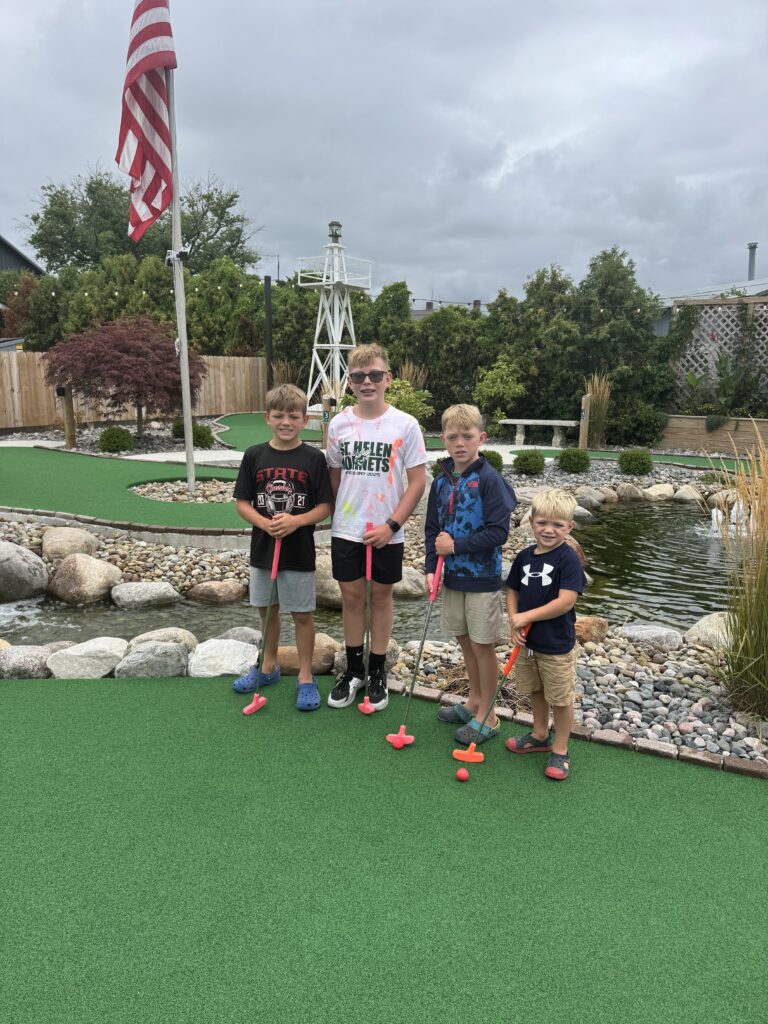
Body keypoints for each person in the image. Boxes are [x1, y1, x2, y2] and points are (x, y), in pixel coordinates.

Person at [325, 343, 427, 711]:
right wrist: (342, 517)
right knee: (351, 599)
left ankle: (377, 671)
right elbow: (335, 478)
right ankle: (353, 671)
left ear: (388, 379)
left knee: (382, 598)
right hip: (347, 529)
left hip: (388, 529)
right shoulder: (339, 424)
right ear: (350, 383)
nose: (367, 382)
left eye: (374, 375)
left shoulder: (405, 424)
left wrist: (391, 524)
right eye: (358, 376)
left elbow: (417, 481)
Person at [232, 384, 333, 711]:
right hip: (263, 548)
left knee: (302, 614)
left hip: (298, 551)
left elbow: (325, 506)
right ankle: (268, 666)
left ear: (306, 419)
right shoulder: (255, 455)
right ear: (267, 417)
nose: (285, 421)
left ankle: (306, 676)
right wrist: (265, 523)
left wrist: (296, 521)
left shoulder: (313, 458)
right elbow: (242, 503)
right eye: (279, 415)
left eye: (293, 416)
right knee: (268, 611)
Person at [425, 404, 517, 745]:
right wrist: (429, 567)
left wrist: (456, 547)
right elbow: (432, 529)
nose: (459, 443)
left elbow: (498, 533)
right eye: (452, 437)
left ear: (482, 437)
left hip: (482, 578)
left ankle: (489, 716)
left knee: (482, 646)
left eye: (467, 436)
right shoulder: (440, 482)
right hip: (452, 577)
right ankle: (475, 700)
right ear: (443, 440)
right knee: (464, 641)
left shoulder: (490, 480)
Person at [505, 488, 585, 780]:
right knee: (535, 690)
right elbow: (513, 589)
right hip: (528, 642)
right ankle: (540, 735)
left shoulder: (568, 559)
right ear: (532, 520)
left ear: (569, 527)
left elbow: (566, 601)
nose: (549, 530)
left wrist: (526, 616)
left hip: (556, 644)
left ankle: (561, 750)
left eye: (558, 525)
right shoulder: (524, 557)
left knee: (561, 698)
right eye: (542, 523)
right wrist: (515, 620)